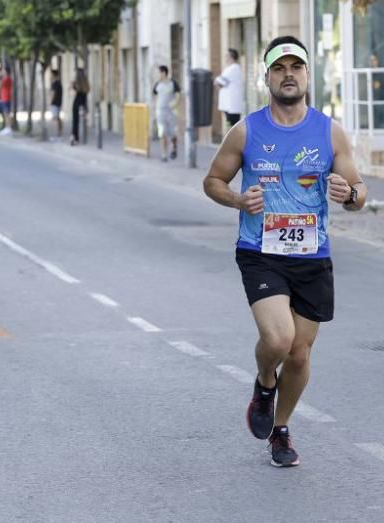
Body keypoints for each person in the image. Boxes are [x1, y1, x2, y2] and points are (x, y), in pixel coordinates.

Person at [203, 35, 367, 468]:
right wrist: (238, 200)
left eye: (296, 67)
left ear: (308, 76)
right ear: (267, 77)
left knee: (299, 354)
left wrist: (348, 193)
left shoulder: (329, 131)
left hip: (312, 255)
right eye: (280, 68)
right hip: (261, 251)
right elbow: (213, 181)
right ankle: (262, 382)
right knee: (278, 338)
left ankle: (280, 429)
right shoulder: (247, 130)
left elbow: (360, 190)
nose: (288, 74)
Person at [152, 65, 180, 161]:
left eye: (159, 73)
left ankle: (174, 146)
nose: (157, 75)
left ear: (164, 73)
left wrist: (175, 104)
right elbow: (155, 96)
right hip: (160, 112)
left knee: (173, 133)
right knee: (162, 133)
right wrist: (156, 109)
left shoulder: (173, 83)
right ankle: (164, 155)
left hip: (171, 112)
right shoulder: (157, 85)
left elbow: (178, 96)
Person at [215, 48, 244, 129]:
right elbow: (218, 82)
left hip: (232, 105)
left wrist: (218, 83)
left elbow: (219, 81)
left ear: (231, 57)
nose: (225, 58)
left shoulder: (234, 68)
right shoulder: (229, 68)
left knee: (233, 127)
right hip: (228, 105)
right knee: (231, 126)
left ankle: (236, 141)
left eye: (226, 56)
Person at [70, 68, 89, 146]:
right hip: (83, 104)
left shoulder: (75, 83)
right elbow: (87, 92)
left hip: (76, 104)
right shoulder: (86, 83)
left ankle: (74, 137)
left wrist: (72, 86)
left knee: (75, 122)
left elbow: (71, 93)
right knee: (84, 121)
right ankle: (83, 137)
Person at [0, 62, 13, 134]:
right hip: (4, 97)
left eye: (3, 70)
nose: (2, 72)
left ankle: (8, 127)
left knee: (6, 113)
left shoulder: (6, 79)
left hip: (5, 97)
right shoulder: (7, 78)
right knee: (6, 113)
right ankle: (7, 127)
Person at [49, 69, 63, 139]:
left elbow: (53, 93)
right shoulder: (59, 83)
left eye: (51, 75)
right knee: (57, 118)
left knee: (55, 119)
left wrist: (50, 101)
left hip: (55, 103)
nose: (50, 76)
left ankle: (56, 135)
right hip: (58, 102)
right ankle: (59, 133)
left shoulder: (55, 83)